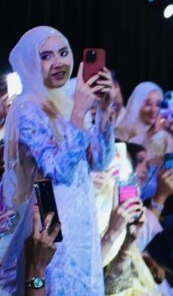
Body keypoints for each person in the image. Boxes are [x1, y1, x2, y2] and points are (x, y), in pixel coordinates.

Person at [0, 26, 117, 294]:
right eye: (46, 56)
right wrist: (79, 113)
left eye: (63, 53)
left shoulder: (67, 102)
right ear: (31, 62)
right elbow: (59, 170)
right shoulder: (27, 107)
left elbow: (100, 161)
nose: (59, 62)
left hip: (83, 222)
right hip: (51, 227)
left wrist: (105, 110)